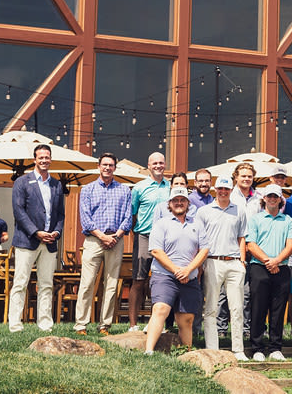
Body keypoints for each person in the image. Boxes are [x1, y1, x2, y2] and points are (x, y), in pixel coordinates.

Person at [144, 186, 209, 354]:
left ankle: (185, 353)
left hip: (190, 277)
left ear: (188, 203)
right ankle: (149, 351)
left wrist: (188, 270)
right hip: (164, 275)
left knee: (186, 319)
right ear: (169, 204)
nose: (179, 203)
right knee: (160, 309)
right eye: (175, 201)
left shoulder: (197, 224)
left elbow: (204, 250)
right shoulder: (161, 224)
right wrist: (176, 270)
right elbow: (156, 250)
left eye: (182, 200)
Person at [8, 143, 65, 332]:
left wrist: (56, 232)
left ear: (51, 159)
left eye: (47, 157)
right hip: (27, 240)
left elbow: (60, 215)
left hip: (49, 243)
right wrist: (36, 232)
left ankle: (45, 324)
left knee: (46, 284)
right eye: (41, 157)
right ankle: (15, 324)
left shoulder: (56, 184)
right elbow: (19, 212)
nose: (44, 160)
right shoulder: (22, 182)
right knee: (20, 282)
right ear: (35, 160)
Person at [75, 152, 132, 335]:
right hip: (93, 240)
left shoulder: (124, 190)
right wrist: (102, 237)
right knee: (87, 283)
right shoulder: (88, 189)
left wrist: (115, 236)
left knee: (111, 284)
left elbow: (128, 218)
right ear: (99, 167)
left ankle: (104, 325)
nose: (107, 168)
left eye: (111, 165)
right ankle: (81, 325)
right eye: (104, 164)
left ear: (115, 168)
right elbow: (85, 218)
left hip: (116, 240)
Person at [199, 175, 247, 360]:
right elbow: (200, 239)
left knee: (237, 308)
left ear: (230, 190)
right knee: (211, 307)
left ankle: (238, 349)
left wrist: (242, 261)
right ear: (215, 189)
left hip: (234, 261)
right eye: (220, 189)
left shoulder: (239, 210)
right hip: (212, 261)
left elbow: (242, 237)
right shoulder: (204, 211)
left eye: (226, 189)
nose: (223, 192)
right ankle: (212, 348)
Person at [246, 184, 292, 361]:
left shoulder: (288, 220)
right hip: (259, 267)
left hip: (281, 267)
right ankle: (257, 348)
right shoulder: (255, 219)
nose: (272, 199)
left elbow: (290, 245)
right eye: (270, 196)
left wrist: (276, 261)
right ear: (264, 198)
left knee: (278, 309)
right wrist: (268, 261)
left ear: (281, 199)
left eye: (276, 196)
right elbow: (250, 244)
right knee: (258, 308)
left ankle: (275, 347)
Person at [129, 151, 169, 329]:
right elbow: (131, 214)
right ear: (148, 165)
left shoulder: (171, 187)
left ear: (165, 164)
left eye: (161, 163)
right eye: (155, 163)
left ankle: (155, 323)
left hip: (166, 239)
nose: (158, 166)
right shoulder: (139, 188)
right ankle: (133, 324)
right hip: (145, 236)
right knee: (139, 280)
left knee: (161, 280)